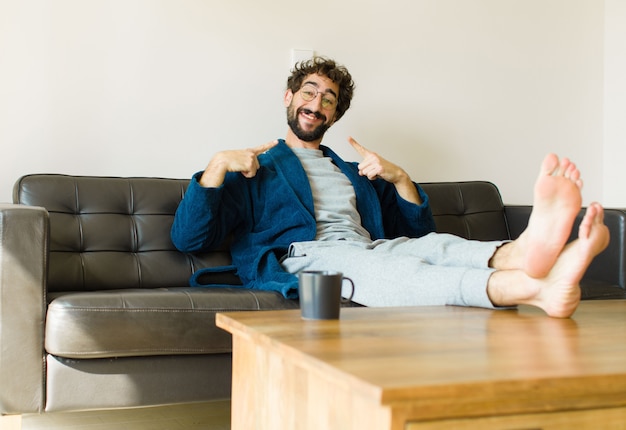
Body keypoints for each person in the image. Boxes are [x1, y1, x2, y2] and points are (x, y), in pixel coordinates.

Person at [171, 57, 610, 318]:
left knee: (440, 246)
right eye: (310, 91)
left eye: (329, 99)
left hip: (367, 247)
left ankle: (526, 251)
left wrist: (399, 178)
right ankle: (532, 288)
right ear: (289, 97)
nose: (318, 103)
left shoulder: (352, 171)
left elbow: (418, 234)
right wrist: (214, 168)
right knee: (393, 273)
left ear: (334, 115)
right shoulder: (256, 168)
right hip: (306, 256)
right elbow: (188, 238)